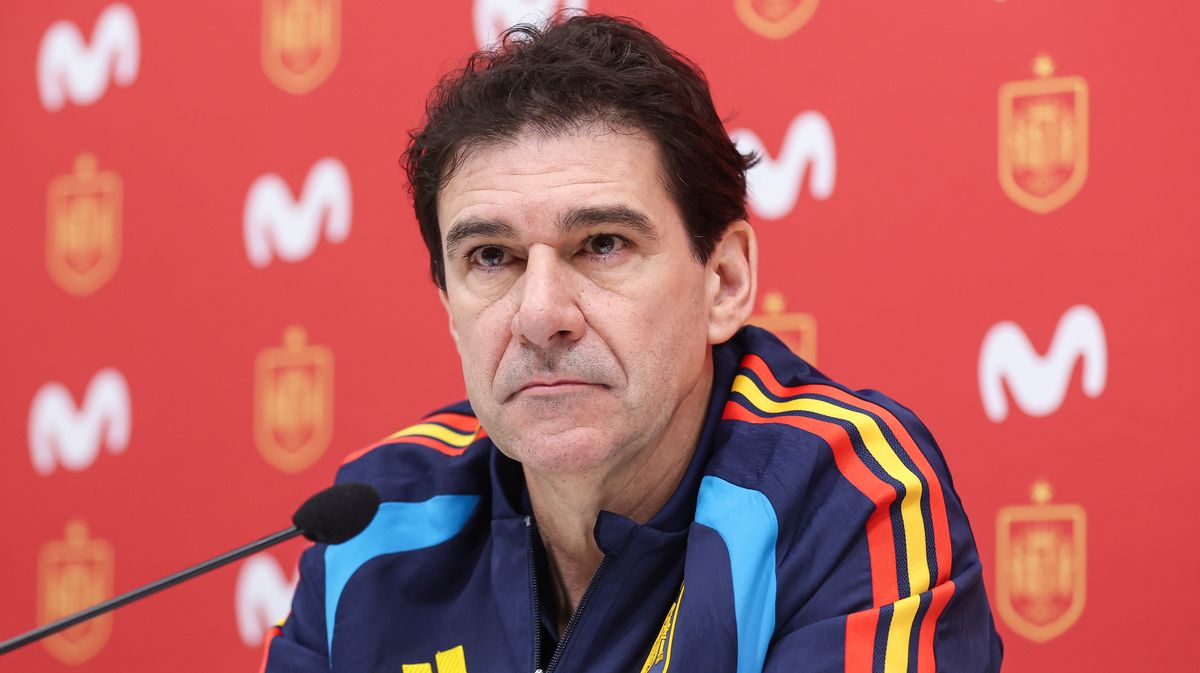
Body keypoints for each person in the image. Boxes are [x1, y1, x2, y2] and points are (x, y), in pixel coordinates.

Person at [263, 13, 1002, 673]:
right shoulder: (376, 522)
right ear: (450, 308)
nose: (540, 314)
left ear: (724, 280)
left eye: (602, 244)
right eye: (491, 257)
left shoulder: (843, 494)